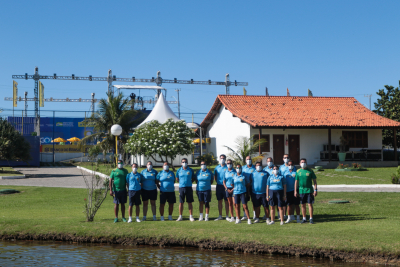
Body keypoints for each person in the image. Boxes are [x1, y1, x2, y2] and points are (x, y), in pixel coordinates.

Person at [294, 158, 317, 224]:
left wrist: (315, 190)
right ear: (299, 163)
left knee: (310, 204)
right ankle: (304, 219)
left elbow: (314, 181)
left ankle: (311, 218)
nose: (303, 163)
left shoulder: (310, 171)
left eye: (304, 162)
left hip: (309, 190)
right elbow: (296, 182)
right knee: (302, 205)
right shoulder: (298, 171)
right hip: (301, 191)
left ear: (306, 163)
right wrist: (295, 191)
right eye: (302, 162)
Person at [213, 154, 230, 221]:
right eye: (221, 158)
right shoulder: (217, 167)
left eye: (223, 158)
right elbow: (215, 177)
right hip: (219, 186)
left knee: (226, 201)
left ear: (225, 159)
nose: (222, 159)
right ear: (219, 159)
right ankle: (220, 215)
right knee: (219, 201)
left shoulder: (227, 167)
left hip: (226, 186)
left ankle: (227, 216)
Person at [241, 156, 255, 220]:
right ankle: (245, 215)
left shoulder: (254, 167)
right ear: (245, 160)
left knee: (254, 201)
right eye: (247, 159)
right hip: (245, 187)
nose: (248, 160)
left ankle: (255, 215)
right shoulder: (243, 168)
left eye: (250, 159)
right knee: (244, 201)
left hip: (253, 187)